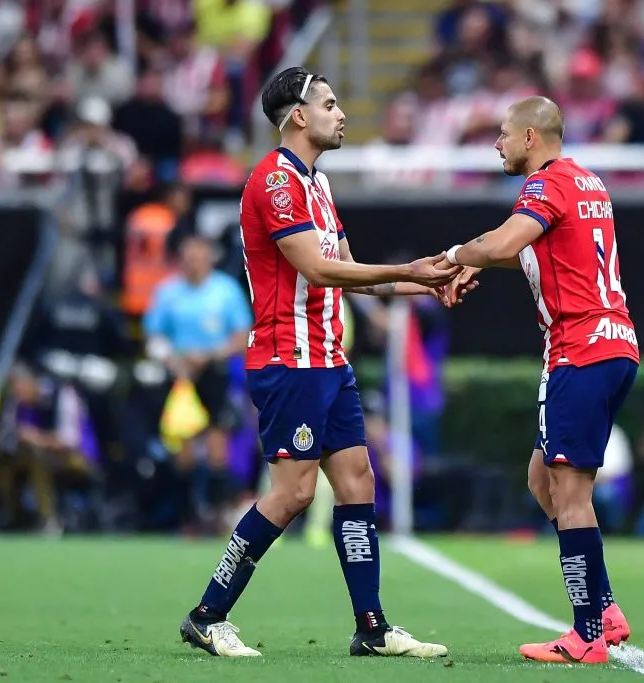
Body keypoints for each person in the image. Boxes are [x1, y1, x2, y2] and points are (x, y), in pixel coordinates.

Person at [178, 66, 462, 659]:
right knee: (292, 494)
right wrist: (407, 268)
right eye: (330, 104)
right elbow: (318, 268)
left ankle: (373, 627)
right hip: (290, 360)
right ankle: (208, 614)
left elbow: (352, 277)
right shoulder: (274, 182)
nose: (341, 114)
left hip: (329, 361)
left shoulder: (320, 185)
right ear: (299, 115)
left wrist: (425, 285)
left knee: (358, 482)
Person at [440, 96, 639, 665]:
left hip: (578, 350)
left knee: (571, 496)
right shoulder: (587, 182)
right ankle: (603, 608)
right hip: (616, 344)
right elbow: (543, 249)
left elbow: (508, 241)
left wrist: (456, 254)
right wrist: (479, 262)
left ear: (531, 137)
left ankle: (585, 637)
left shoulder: (542, 187)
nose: (496, 144)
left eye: (503, 134)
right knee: (541, 478)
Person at [144, 233, 252, 526]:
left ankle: (217, 514)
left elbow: (241, 337)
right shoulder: (168, 292)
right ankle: (188, 516)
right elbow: (154, 336)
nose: (192, 263)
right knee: (184, 450)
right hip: (180, 378)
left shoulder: (225, 291)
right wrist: (173, 360)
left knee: (218, 446)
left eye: (197, 257)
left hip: (214, 374)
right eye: (187, 258)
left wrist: (210, 354)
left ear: (208, 258)